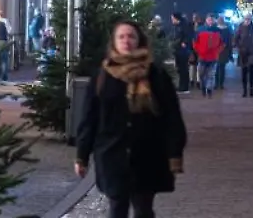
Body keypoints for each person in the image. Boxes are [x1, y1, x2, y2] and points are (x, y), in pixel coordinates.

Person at [75, 20, 187, 218]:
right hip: (111, 153)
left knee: (143, 208)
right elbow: (89, 118)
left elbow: (172, 116)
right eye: (121, 36)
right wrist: (81, 155)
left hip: (147, 153)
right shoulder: (102, 76)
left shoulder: (156, 75)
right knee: (117, 206)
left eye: (131, 36)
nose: (126, 40)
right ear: (114, 42)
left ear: (139, 41)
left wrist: (174, 153)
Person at [192, 14, 224, 98]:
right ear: (206, 20)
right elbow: (194, 42)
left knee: (211, 75)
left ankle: (209, 89)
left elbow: (222, 44)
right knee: (201, 74)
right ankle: (203, 87)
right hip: (202, 56)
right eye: (209, 19)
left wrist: (217, 51)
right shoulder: (200, 30)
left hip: (213, 57)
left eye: (212, 19)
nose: (210, 21)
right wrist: (199, 51)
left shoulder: (218, 31)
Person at [234, 14, 253, 97]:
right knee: (244, 72)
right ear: (244, 19)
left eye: (249, 19)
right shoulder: (240, 28)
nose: (247, 20)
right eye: (246, 19)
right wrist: (240, 47)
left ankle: (251, 89)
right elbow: (235, 39)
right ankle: (244, 90)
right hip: (243, 53)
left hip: (252, 53)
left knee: (252, 72)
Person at [170, 12, 193, 93]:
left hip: (182, 51)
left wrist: (184, 43)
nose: (171, 20)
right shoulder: (176, 27)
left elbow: (188, 36)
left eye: (172, 18)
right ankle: (181, 86)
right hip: (177, 50)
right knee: (180, 69)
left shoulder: (184, 26)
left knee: (183, 69)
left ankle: (185, 87)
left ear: (177, 18)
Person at [214, 15, 233, 90]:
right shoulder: (227, 30)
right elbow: (229, 41)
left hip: (219, 51)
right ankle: (220, 84)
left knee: (218, 68)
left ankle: (217, 84)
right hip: (223, 51)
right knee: (221, 68)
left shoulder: (216, 29)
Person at [188, 14, 203, 89]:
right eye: (194, 17)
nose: (195, 19)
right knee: (192, 65)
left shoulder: (201, 27)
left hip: (199, 49)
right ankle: (191, 80)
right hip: (192, 49)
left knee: (198, 65)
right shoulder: (190, 26)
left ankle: (198, 81)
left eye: (196, 18)